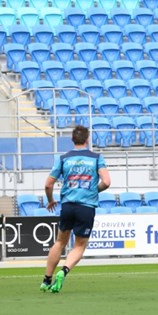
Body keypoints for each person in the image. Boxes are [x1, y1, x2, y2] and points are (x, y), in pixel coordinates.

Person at [40, 125, 110, 293]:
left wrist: (50, 200)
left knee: (60, 242)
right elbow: (107, 182)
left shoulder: (64, 158)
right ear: (87, 139)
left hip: (68, 205)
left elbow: (48, 184)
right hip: (86, 207)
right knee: (79, 245)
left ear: (72, 139)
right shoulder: (96, 158)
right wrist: (94, 190)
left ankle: (46, 280)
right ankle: (63, 271)